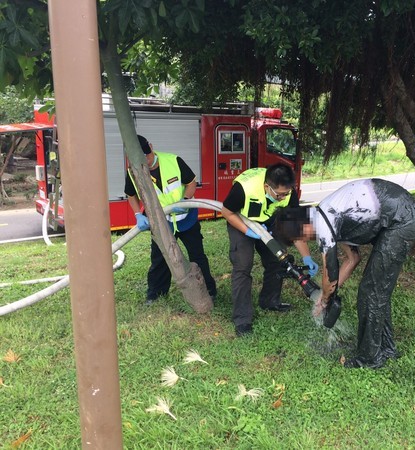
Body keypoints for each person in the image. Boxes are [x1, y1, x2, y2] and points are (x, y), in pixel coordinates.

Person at [272, 178, 415, 369]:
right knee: (377, 290)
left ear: (303, 228)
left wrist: (325, 298)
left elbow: (331, 273)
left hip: (402, 218)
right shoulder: (330, 216)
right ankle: (386, 348)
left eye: (301, 238)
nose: (307, 241)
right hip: (398, 214)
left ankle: (369, 359)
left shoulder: (324, 221)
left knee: (371, 292)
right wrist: (327, 295)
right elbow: (352, 259)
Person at [221, 164, 318, 337]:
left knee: (279, 259)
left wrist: (307, 257)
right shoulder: (243, 188)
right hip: (241, 222)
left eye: (286, 194)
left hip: (268, 221)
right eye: (279, 194)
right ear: (267, 186)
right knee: (243, 265)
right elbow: (227, 212)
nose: (282, 198)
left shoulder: (289, 194)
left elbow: (295, 228)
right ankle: (242, 319)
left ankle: (269, 301)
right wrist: (247, 231)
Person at [124, 135, 217, 305]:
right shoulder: (133, 172)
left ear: (151, 147)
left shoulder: (173, 161)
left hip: (185, 218)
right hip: (161, 223)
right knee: (160, 259)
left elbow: (191, 182)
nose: (146, 161)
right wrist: (138, 215)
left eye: (148, 156)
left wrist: (187, 201)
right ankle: (156, 294)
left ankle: (209, 290)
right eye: (141, 159)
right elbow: (131, 195)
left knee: (197, 255)